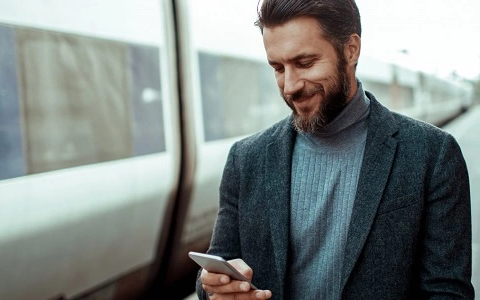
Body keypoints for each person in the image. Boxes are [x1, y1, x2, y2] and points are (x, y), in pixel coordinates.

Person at [195, 0, 475, 299]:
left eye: (305, 63)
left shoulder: (432, 154)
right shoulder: (246, 159)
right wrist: (213, 288)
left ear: (350, 50)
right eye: (278, 67)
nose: (289, 86)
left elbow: (447, 290)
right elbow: (216, 270)